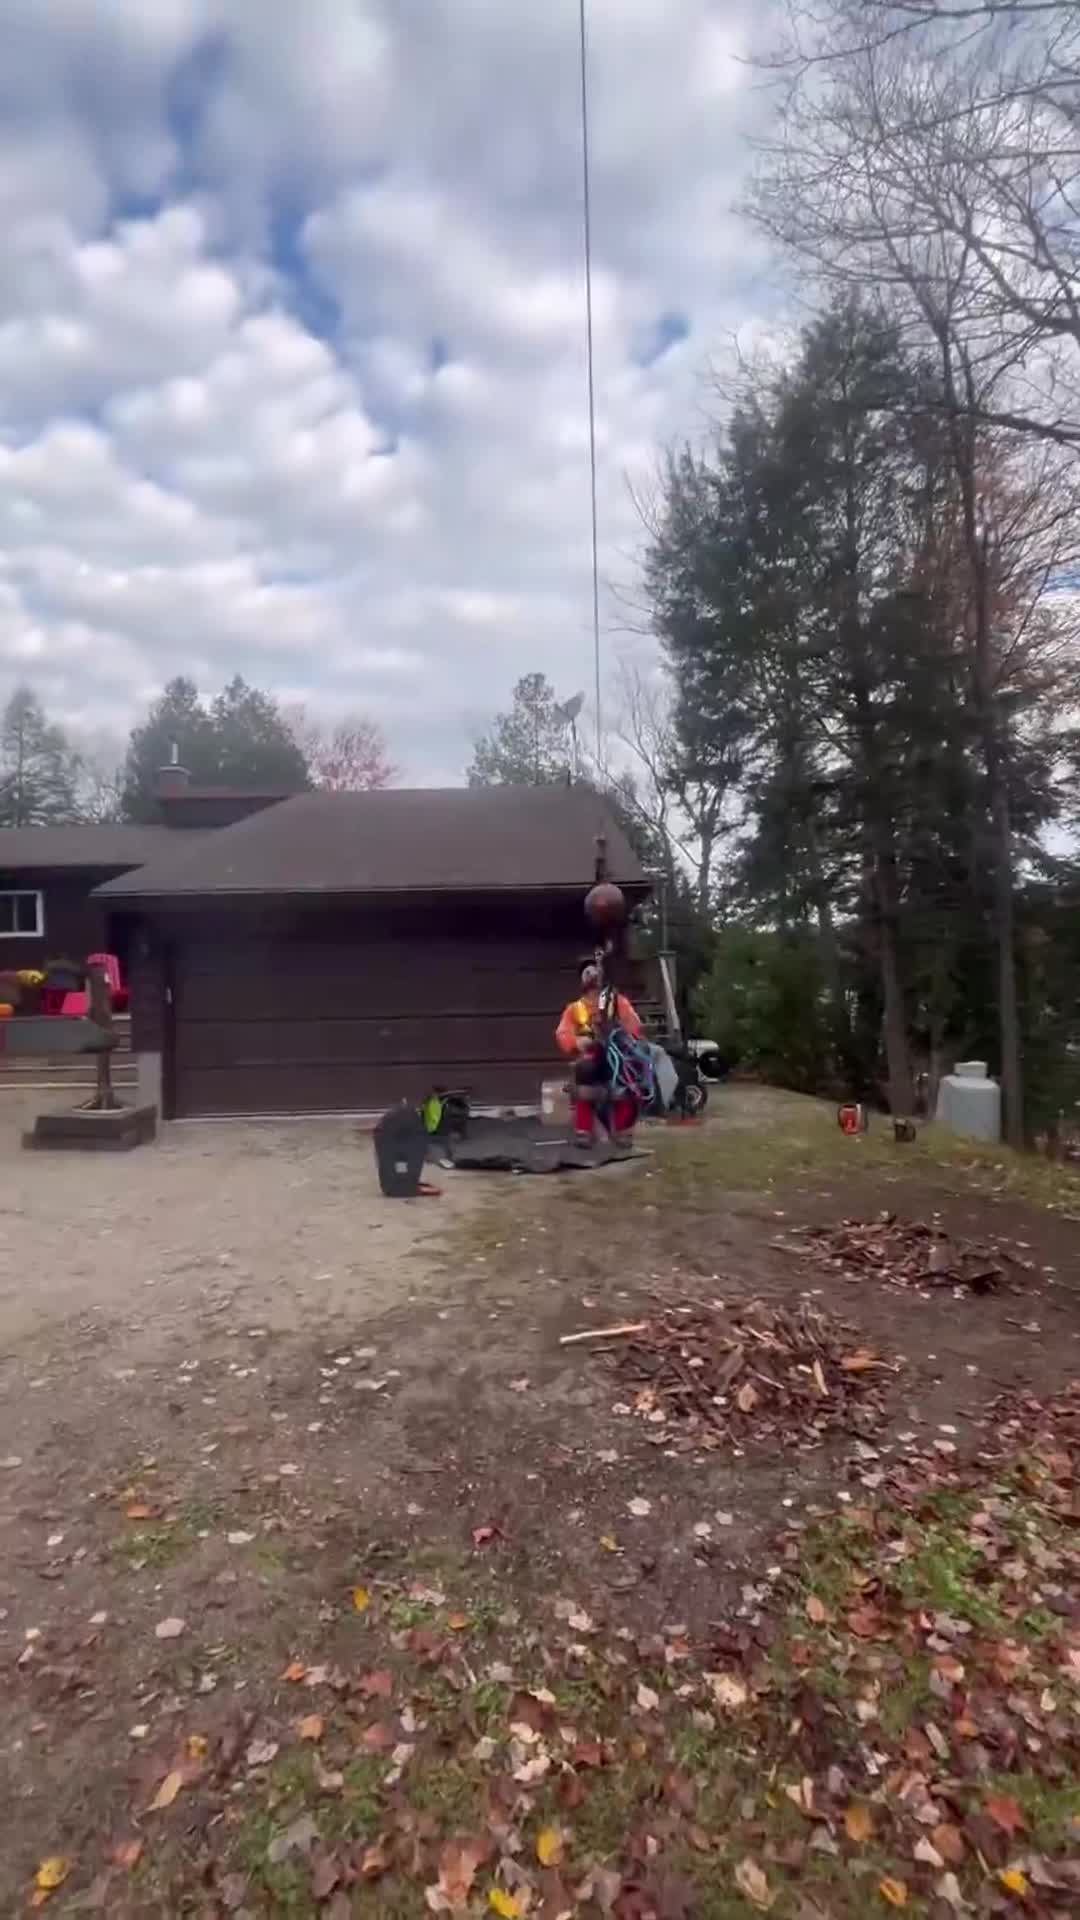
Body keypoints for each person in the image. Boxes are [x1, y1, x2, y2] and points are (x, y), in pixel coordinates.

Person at [556, 963, 644, 1150]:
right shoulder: (575, 1009)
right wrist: (577, 1041)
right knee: (584, 1078)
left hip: (617, 1055)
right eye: (592, 989)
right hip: (590, 1057)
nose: (595, 994)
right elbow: (562, 1034)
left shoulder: (619, 1003)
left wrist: (626, 1038)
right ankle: (584, 1131)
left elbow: (634, 1026)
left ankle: (623, 1131)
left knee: (627, 1081)